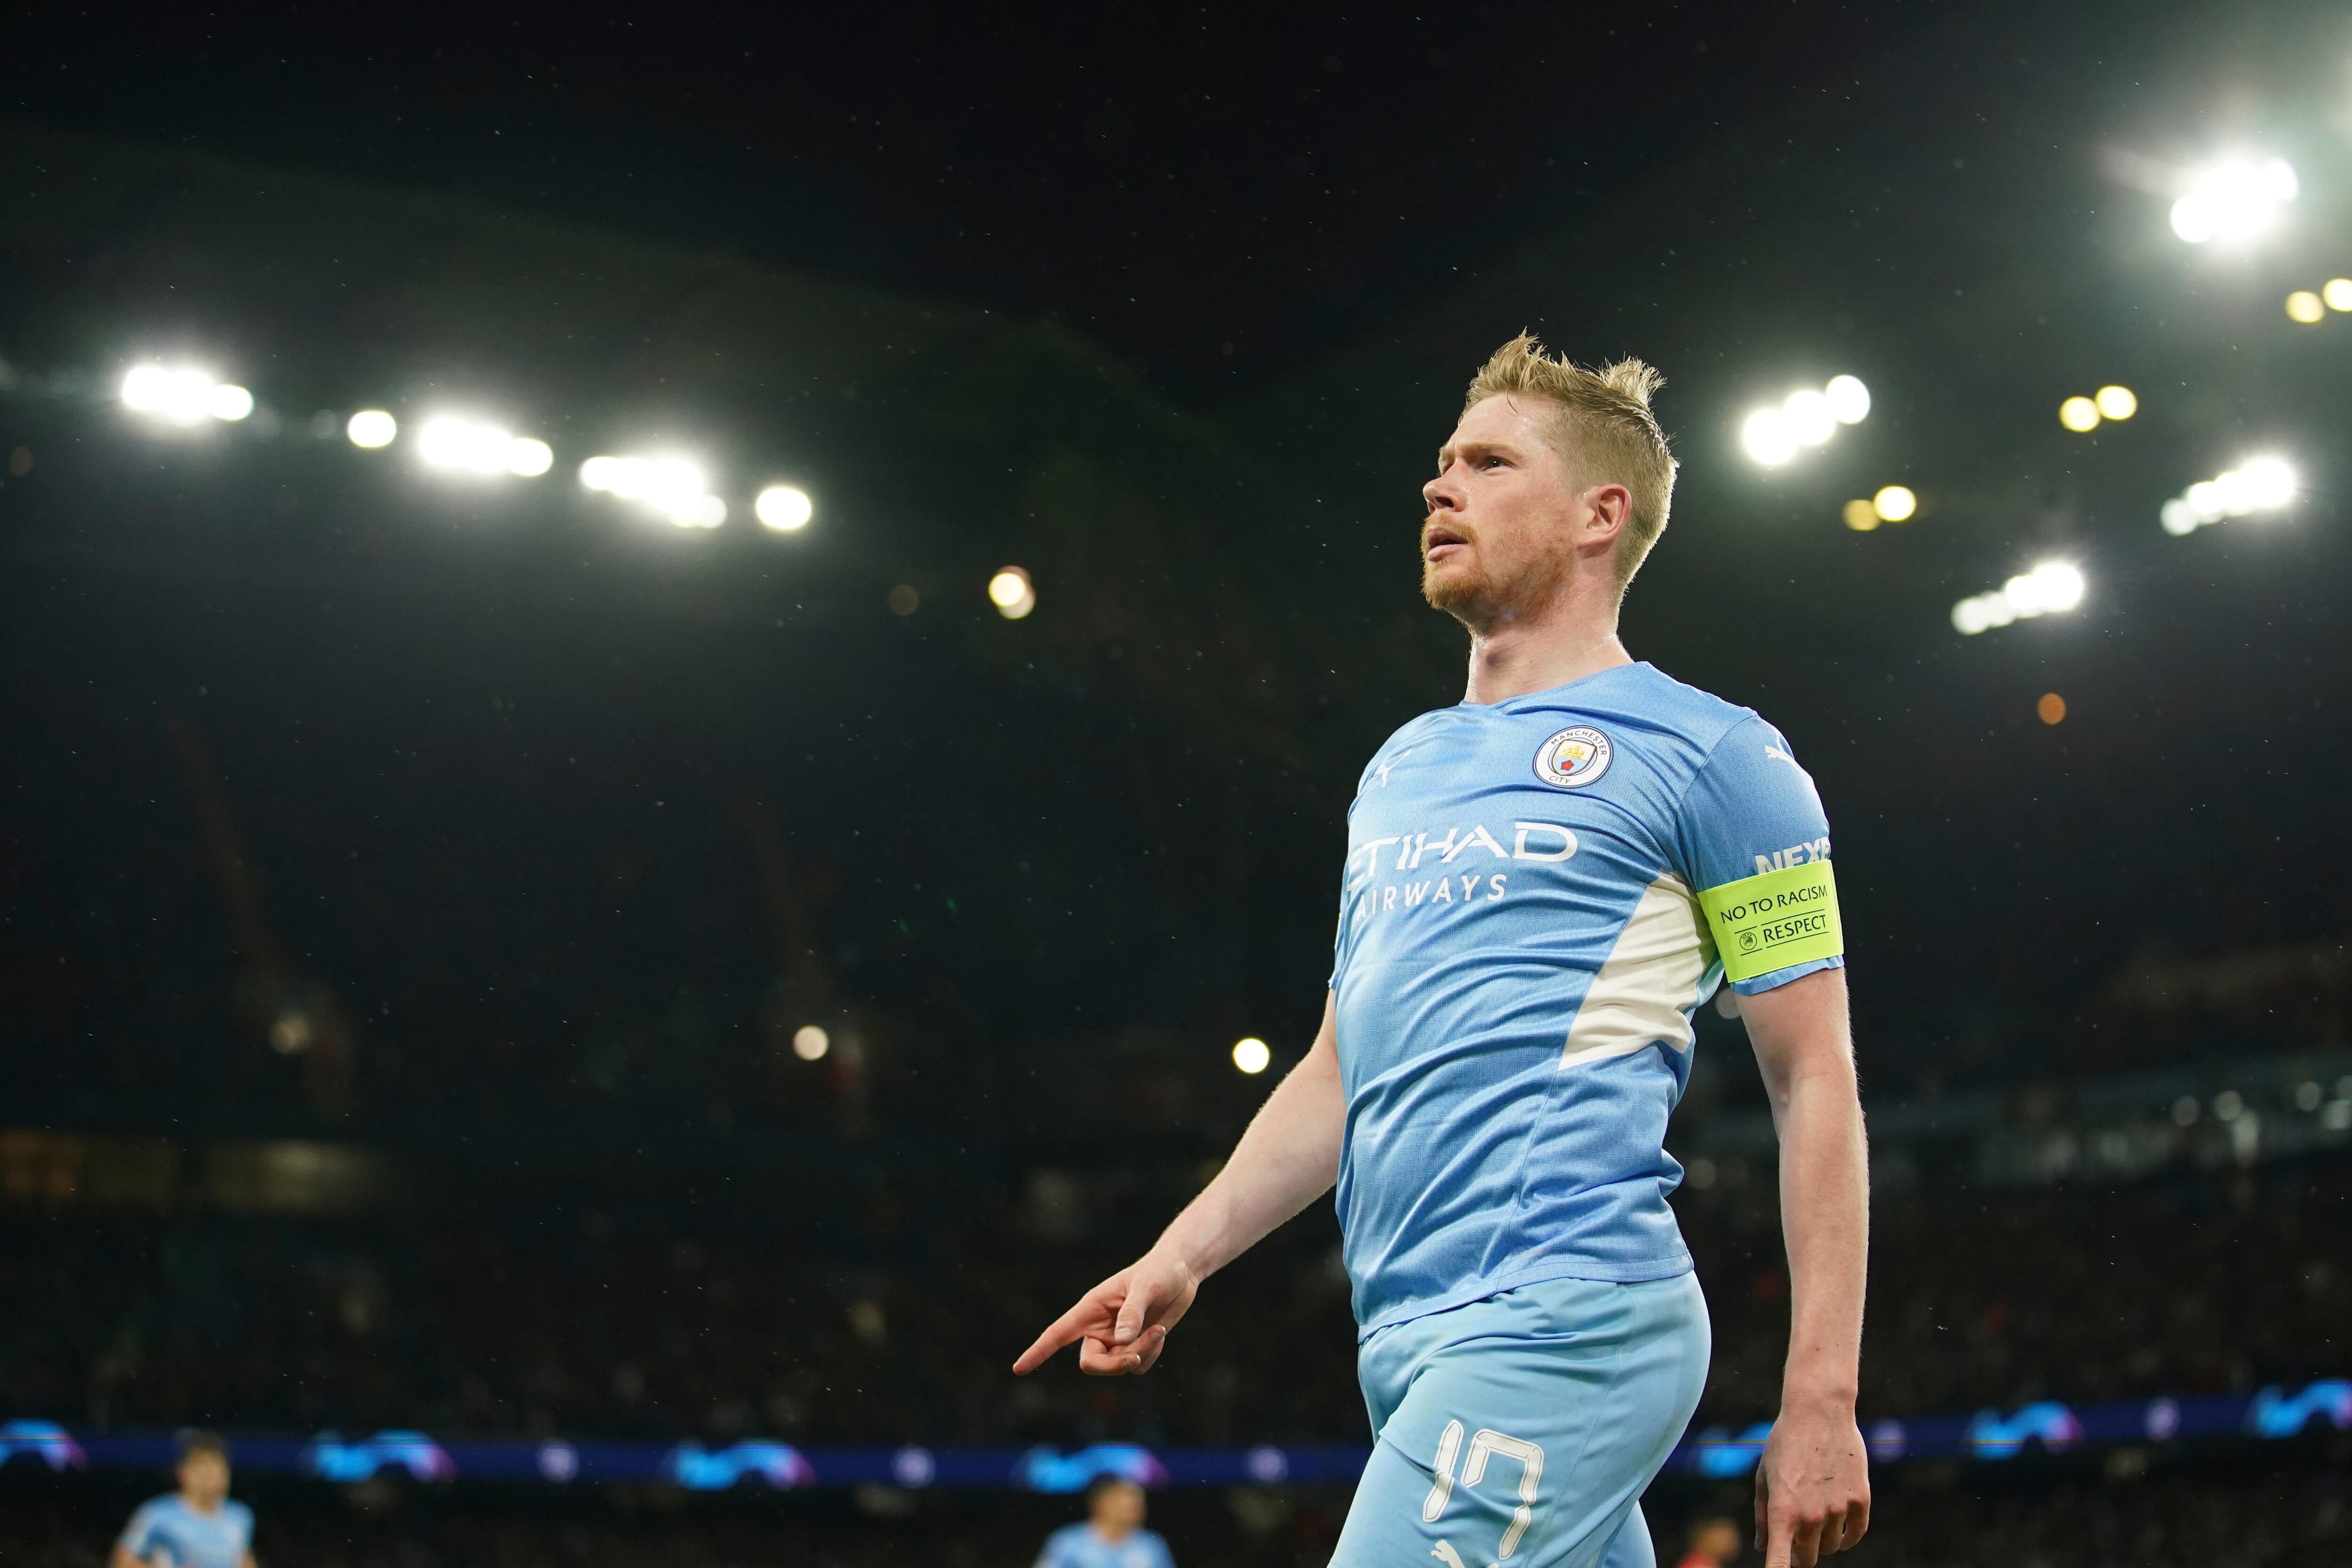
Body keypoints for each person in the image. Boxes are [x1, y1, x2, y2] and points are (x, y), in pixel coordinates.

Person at [1017, 335, 1870, 1568]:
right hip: (1408, 1340)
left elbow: (1814, 1078)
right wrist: (1180, 1254)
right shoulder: (1402, 768)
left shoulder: (1720, 759)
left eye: (1487, 461)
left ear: (1599, 513)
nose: (1440, 484)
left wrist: (1821, 1396)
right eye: (1440, 462)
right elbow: (1338, 1068)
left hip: (1562, 1321)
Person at [111, 1431, 257, 1568]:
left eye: (216, 1466)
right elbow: (121, 1563)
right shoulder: (156, 1514)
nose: (210, 1474)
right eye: (202, 1466)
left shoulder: (240, 1516)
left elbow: (243, 1560)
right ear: (183, 1473)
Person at [1033, 1477, 1176, 1568]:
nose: (1140, 1507)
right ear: (1103, 1504)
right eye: (1130, 1505)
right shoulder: (1068, 1542)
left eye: (1140, 1503)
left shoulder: (1152, 1546)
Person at [1676, 1516, 1743, 1568]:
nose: (1734, 1543)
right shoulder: (1698, 1565)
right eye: (1726, 1538)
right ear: (1707, 1538)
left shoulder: (1709, 1564)